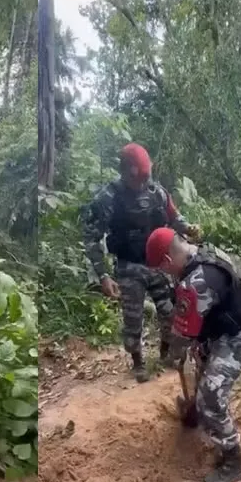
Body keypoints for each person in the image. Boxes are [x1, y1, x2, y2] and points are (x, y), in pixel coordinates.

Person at [145, 227, 241, 482]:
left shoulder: (195, 283)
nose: (166, 275)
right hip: (221, 327)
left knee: (210, 393)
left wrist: (174, 353)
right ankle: (195, 411)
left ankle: (234, 459)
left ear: (166, 261)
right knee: (199, 364)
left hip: (240, 335)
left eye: (163, 270)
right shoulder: (202, 253)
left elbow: (182, 336)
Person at [81, 143, 202, 383]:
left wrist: (188, 229)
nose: (143, 183)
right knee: (133, 317)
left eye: (147, 177)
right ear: (125, 172)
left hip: (160, 264)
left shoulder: (157, 192)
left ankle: (166, 355)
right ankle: (137, 364)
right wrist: (104, 275)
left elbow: (175, 218)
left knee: (171, 312)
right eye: (139, 178)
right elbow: (91, 238)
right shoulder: (108, 198)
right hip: (129, 265)